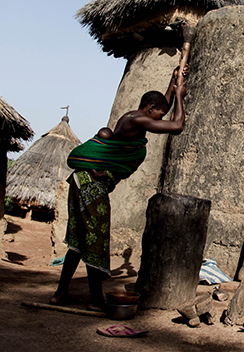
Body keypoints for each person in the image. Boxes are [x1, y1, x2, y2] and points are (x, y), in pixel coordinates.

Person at [50, 65, 188, 311]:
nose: (161, 117)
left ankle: (61, 293)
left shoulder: (134, 116)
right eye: (158, 114)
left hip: (81, 181)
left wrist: (173, 80)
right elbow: (176, 126)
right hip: (92, 185)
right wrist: (179, 95)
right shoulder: (139, 120)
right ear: (149, 110)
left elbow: (162, 107)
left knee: (79, 240)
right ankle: (94, 300)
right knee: (95, 240)